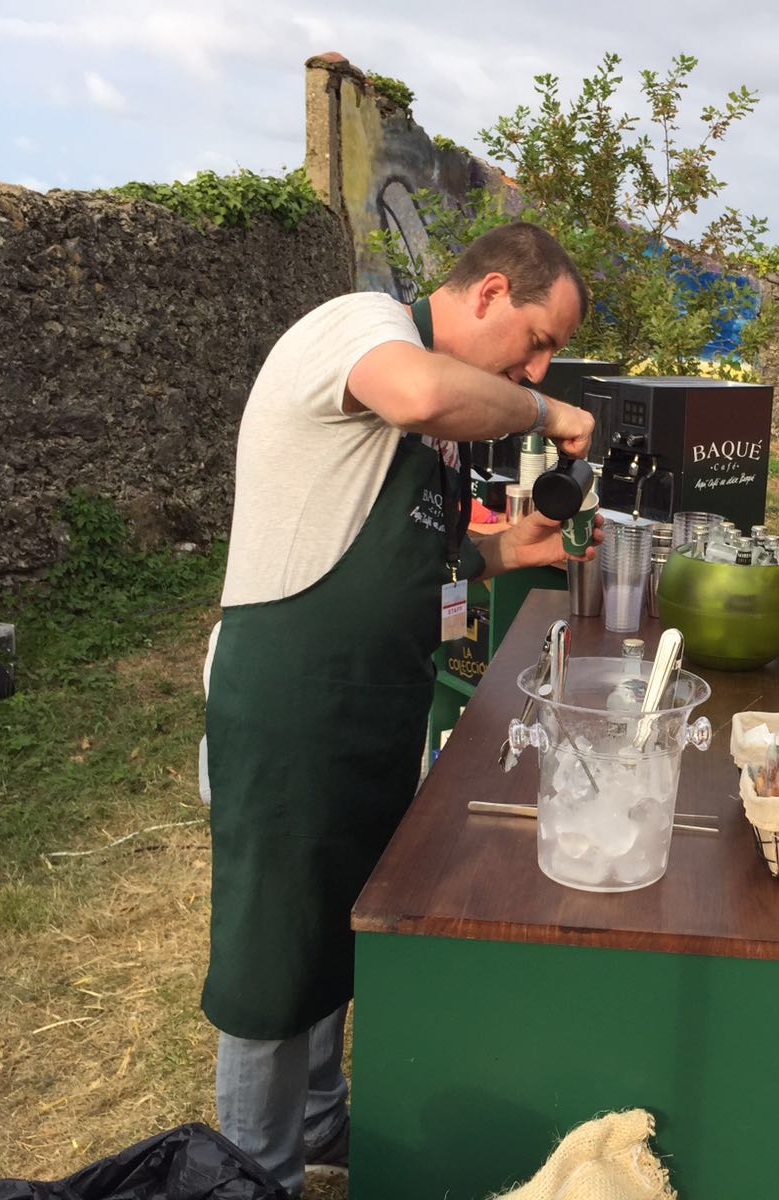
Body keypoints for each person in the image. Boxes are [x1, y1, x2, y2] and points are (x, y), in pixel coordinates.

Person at [201, 221, 597, 1194]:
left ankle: (324, 1121)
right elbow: (420, 389)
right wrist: (543, 410)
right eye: (538, 339)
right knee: (271, 955)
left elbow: (429, 567)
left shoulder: (445, 447)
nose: (538, 363)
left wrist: (518, 550)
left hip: (373, 707)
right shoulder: (362, 326)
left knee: (342, 924)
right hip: (290, 701)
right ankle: (257, 1176)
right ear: (491, 291)